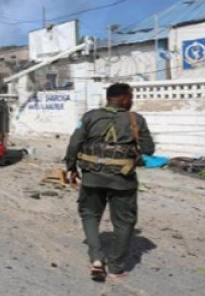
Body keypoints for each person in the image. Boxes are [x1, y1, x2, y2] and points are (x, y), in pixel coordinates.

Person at [65, 82, 154, 282]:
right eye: (131, 97)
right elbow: (149, 149)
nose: (131, 101)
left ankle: (96, 258)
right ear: (124, 98)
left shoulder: (89, 117)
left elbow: (74, 143)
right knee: (124, 222)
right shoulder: (136, 120)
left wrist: (71, 167)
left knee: (89, 214)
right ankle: (115, 268)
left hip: (92, 177)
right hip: (122, 180)